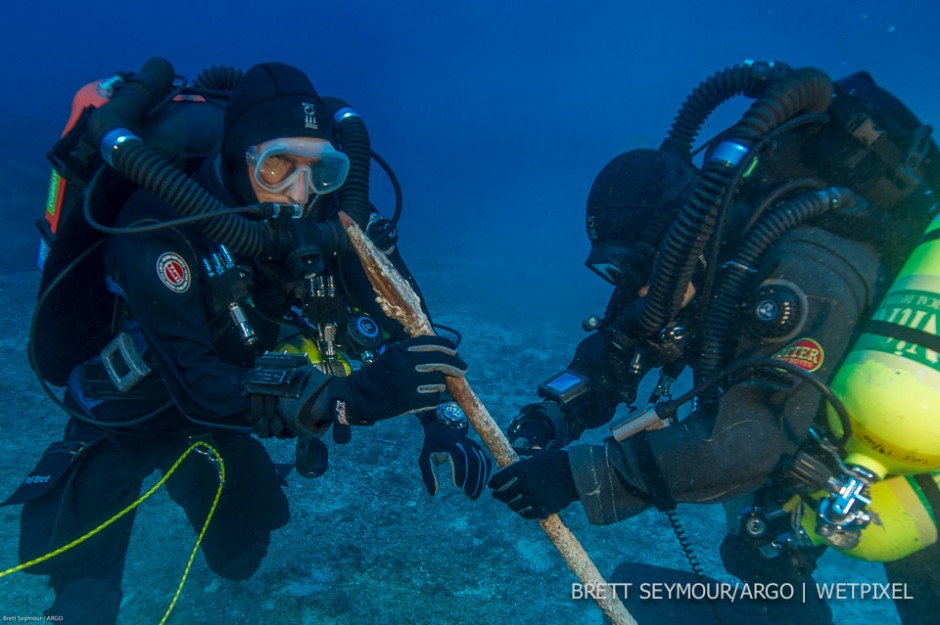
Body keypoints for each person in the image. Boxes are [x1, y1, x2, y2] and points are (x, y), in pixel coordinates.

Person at [5, 59, 491, 624]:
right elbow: (194, 378)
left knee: (241, 559)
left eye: (321, 170)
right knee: (83, 605)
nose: (300, 192)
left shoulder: (336, 214)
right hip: (129, 411)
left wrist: (440, 418)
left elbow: (402, 316)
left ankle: (191, 469)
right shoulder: (157, 221)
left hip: (229, 405)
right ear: (238, 159)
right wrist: (345, 398)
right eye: (277, 165)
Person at [489, 61, 940, 624]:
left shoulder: (802, 270)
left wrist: (575, 476)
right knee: (755, 551)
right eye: (621, 276)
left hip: (915, 459)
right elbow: (624, 341)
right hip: (825, 446)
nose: (639, 291)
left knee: (926, 586)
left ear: (685, 236)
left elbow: (747, 445)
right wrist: (555, 413)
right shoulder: (701, 270)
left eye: (640, 268)